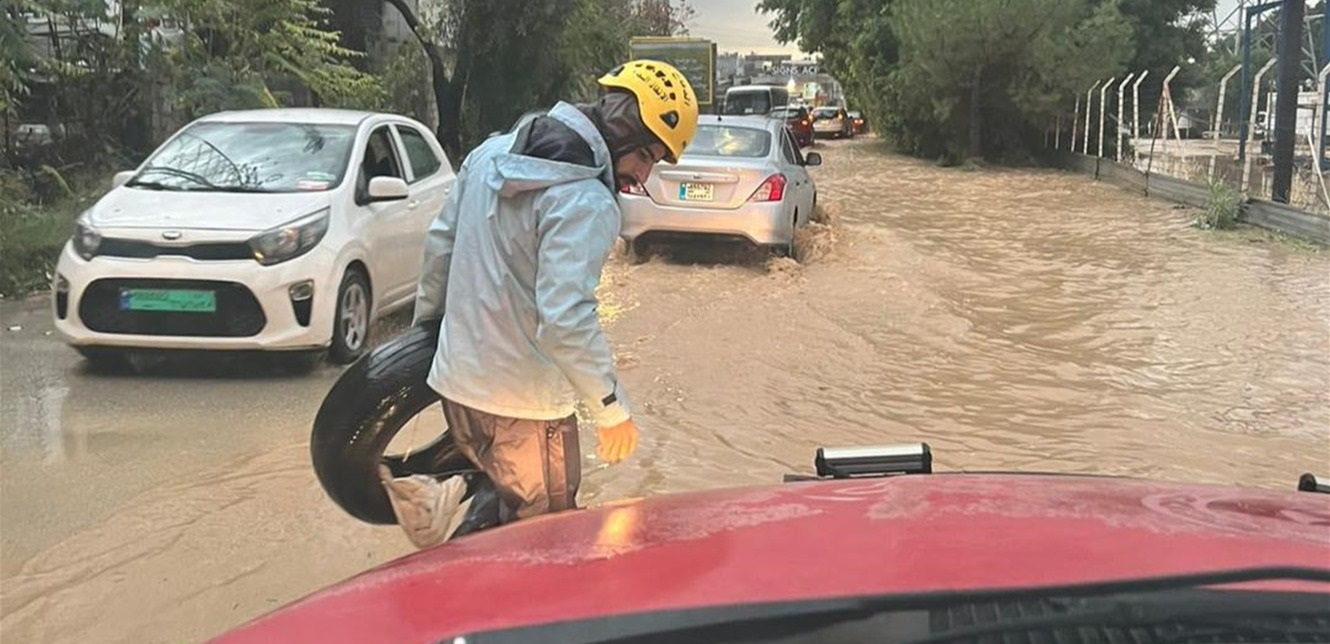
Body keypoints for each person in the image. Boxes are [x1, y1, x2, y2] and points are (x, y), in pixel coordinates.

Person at [385, 60, 699, 548]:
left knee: (504, 514)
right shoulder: (588, 203)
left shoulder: (489, 155)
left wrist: (430, 336)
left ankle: (442, 502)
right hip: (525, 408)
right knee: (549, 543)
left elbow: (441, 248)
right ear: (621, 129)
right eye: (647, 155)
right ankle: (459, 581)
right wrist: (612, 409)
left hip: (458, 391)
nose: (644, 173)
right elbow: (565, 320)